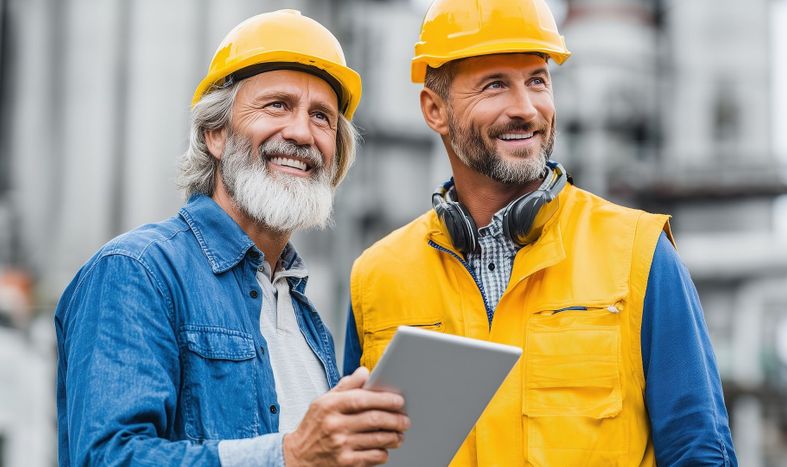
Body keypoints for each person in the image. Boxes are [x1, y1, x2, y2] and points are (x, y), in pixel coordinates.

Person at [344, 0, 737, 465]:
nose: (526, 109)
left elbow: (698, 449)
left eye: (537, 80)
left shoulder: (638, 254)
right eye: (495, 86)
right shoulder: (377, 278)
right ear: (435, 110)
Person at [55, 10, 408, 467]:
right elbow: (107, 457)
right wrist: (291, 454)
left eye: (322, 117)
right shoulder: (136, 271)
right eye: (277, 105)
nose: (301, 133)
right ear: (215, 134)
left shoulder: (303, 314)